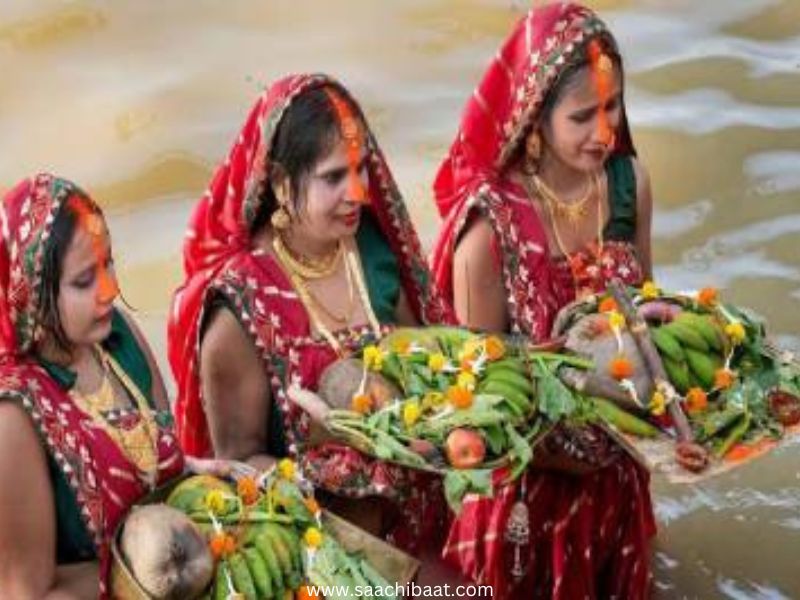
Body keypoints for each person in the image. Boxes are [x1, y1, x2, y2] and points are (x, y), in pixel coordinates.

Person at [167, 74, 454, 555]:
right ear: (281, 183)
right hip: (320, 554)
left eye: (361, 170)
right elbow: (237, 467)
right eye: (334, 177)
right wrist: (327, 447)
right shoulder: (242, 306)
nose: (358, 193)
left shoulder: (375, 255)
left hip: (416, 534)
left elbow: (427, 363)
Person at [431, 4, 656, 598]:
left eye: (613, 108)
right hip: (530, 496)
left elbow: (644, 311)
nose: (604, 133)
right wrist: (564, 457)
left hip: (622, 466)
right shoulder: (489, 231)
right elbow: (483, 400)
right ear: (535, 117)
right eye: (583, 115)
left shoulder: (628, 184)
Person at [0, 174, 185, 598]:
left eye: (110, 264)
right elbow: (25, 593)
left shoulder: (118, 339)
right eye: (85, 281)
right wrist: (140, 578)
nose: (110, 290)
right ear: (30, 295)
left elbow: (170, 474)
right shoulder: (13, 416)